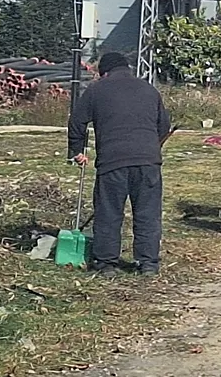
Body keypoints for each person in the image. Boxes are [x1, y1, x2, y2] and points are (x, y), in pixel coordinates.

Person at [68, 52, 171, 277]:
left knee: (109, 212)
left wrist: (77, 151)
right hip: (148, 161)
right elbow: (164, 125)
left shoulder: (96, 90)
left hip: (112, 162)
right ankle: (148, 264)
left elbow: (77, 122)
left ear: (103, 72)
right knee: (147, 214)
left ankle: (106, 263)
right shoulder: (148, 89)